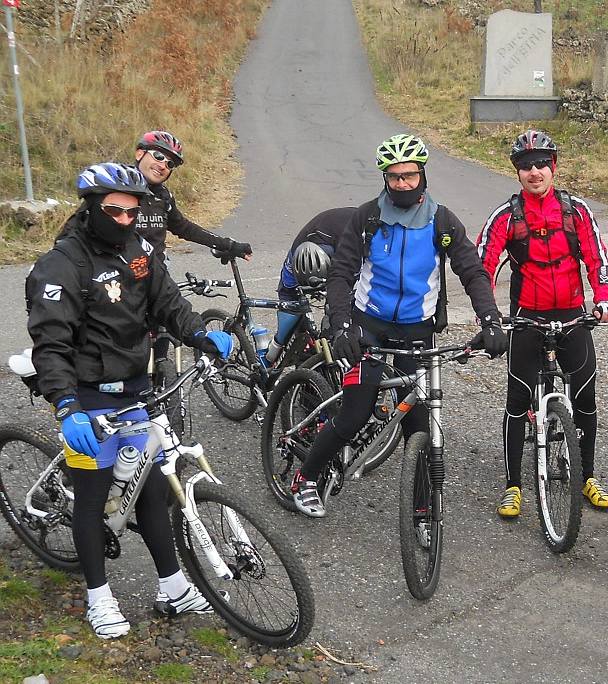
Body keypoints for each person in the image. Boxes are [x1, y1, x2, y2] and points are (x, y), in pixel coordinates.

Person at [25, 162, 234, 640]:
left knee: (152, 491)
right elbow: (51, 343)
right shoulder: (61, 265)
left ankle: (174, 586)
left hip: (134, 388)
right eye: (114, 211)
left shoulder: (139, 249)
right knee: (94, 496)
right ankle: (98, 597)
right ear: (92, 207)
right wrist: (65, 405)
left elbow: (167, 301)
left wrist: (202, 333)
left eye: (132, 212)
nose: (125, 220)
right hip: (86, 395)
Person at [290, 134, 507, 518]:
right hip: (368, 328)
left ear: (422, 175)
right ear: (385, 178)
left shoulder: (443, 221)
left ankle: (423, 513)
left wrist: (490, 318)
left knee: (417, 427)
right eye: (394, 177)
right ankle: (305, 478)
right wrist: (341, 326)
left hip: (418, 335)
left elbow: (472, 272)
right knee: (355, 414)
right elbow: (341, 274)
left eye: (410, 175)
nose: (403, 183)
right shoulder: (368, 217)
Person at [477, 130, 608, 518]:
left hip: (573, 315)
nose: (534, 172)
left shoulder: (576, 211)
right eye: (525, 166)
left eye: (541, 164)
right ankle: (512, 486)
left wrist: (603, 299)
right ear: (517, 172)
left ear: (553, 167)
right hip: (527, 319)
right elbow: (482, 265)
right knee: (518, 400)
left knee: (586, 399)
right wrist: (487, 313)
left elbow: (597, 258)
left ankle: (587, 476)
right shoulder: (507, 216)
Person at [133, 130, 252, 263]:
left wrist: (227, 245)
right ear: (140, 154)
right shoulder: (116, 190)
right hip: (121, 276)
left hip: (157, 275)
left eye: (170, 164)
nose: (162, 166)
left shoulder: (163, 197)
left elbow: (185, 228)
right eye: (158, 156)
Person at [264, 210, 354, 365]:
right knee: (293, 314)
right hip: (311, 244)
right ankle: (281, 356)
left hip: (339, 243)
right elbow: (287, 293)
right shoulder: (294, 261)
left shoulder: (351, 248)